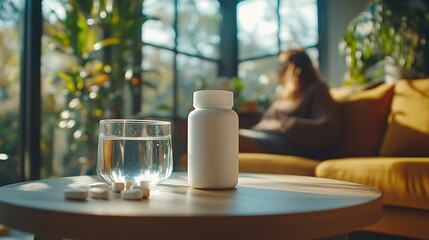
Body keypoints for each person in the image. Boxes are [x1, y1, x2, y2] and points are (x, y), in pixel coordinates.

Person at [239, 49, 340, 159]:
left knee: (229, 138)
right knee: (225, 133)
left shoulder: (316, 89)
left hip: (287, 143)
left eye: (282, 64)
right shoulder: (283, 96)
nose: (277, 69)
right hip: (261, 134)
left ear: (295, 68)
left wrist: (286, 122)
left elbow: (327, 130)